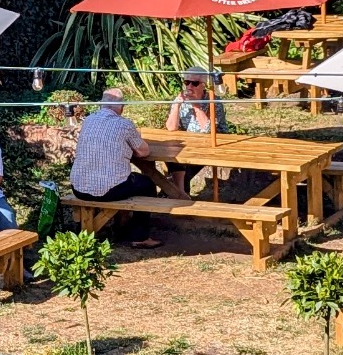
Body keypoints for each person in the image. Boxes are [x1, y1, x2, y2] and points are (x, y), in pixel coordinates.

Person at [68, 89, 164, 247]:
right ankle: (140, 237)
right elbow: (143, 151)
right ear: (122, 107)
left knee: (123, 179)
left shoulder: (88, 121)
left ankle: (118, 224)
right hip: (109, 191)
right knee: (147, 184)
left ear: (101, 104)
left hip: (78, 188)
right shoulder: (124, 125)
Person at [163, 67, 227, 137]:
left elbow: (208, 131)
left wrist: (196, 105)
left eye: (195, 83)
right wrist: (177, 105)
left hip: (217, 139)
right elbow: (171, 128)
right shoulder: (181, 99)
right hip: (189, 139)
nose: (189, 87)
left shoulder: (213, 101)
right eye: (187, 82)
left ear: (204, 85)